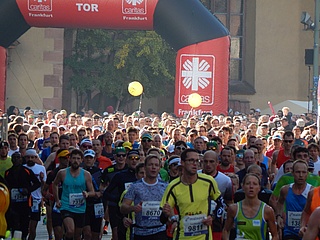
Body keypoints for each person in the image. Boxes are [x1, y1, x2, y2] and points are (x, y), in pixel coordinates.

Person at [160, 148, 223, 240]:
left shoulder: (208, 181)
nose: (195, 164)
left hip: (204, 237)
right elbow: (162, 218)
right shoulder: (173, 186)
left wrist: (212, 217)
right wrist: (168, 215)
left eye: (197, 161)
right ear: (182, 162)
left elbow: (221, 203)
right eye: (191, 160)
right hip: (182, 236)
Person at [120, 154, 168, 239]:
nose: (153, 167)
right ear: (145, 167)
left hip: (160, 231)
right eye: (150, 165)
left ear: (159, 168)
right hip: (141, 232)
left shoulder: (165, 186)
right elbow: (123, 207)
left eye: (156, 165)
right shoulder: (135, 186)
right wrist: (133, 208)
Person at [52, 149, 95, 240]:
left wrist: (87, 194)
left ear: (81, 160)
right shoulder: (62, 173)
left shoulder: (86, 174)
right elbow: (55, 184)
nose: (76, 161)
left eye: (78, 158)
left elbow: (92, 192)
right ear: (70, 159)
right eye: (74, 158)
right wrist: (57, 200)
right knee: (70, 231)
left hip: (80, 207)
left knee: (77, 235)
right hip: (66, 205)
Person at [222, 173, 278, 240]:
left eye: (254, 184)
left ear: (259, 188)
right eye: (248, 183)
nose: (251, 186)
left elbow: (275, 236)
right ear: (242, 187)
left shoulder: (267, 210)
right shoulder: (234, 209)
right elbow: (226, 230)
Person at [5, 151, 41, 239]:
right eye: (14, 158)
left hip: (25, 203)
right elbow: (6, 186)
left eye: (18, 158)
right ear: (12, 160)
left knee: (24, 225)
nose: (16, 160)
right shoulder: (8, 173)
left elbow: (37, 183)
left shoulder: (27, 171)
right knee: (15, 225)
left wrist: (28, 190)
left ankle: (23, 237)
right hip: (13, 204)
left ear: (21, 160)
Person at [275, 160, 312, 239]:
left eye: (303, 172)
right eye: (298, 172)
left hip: (305, 232)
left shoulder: (311, 191)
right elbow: (279, 203)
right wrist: (279, 216)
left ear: (307, 174)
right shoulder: (285, 190)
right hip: (289, 232)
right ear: (292, 173)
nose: (301, 175)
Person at [24, 148, 46, 240]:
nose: (30, 159)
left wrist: (41, 179)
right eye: (28, 157)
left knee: (33, 228)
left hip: (36, 200)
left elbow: (44, 186)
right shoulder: (22, 168)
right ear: (25, 158)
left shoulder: (41, 168)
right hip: (24, 200)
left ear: (36, 157)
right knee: (25, 227)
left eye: (32, 157)